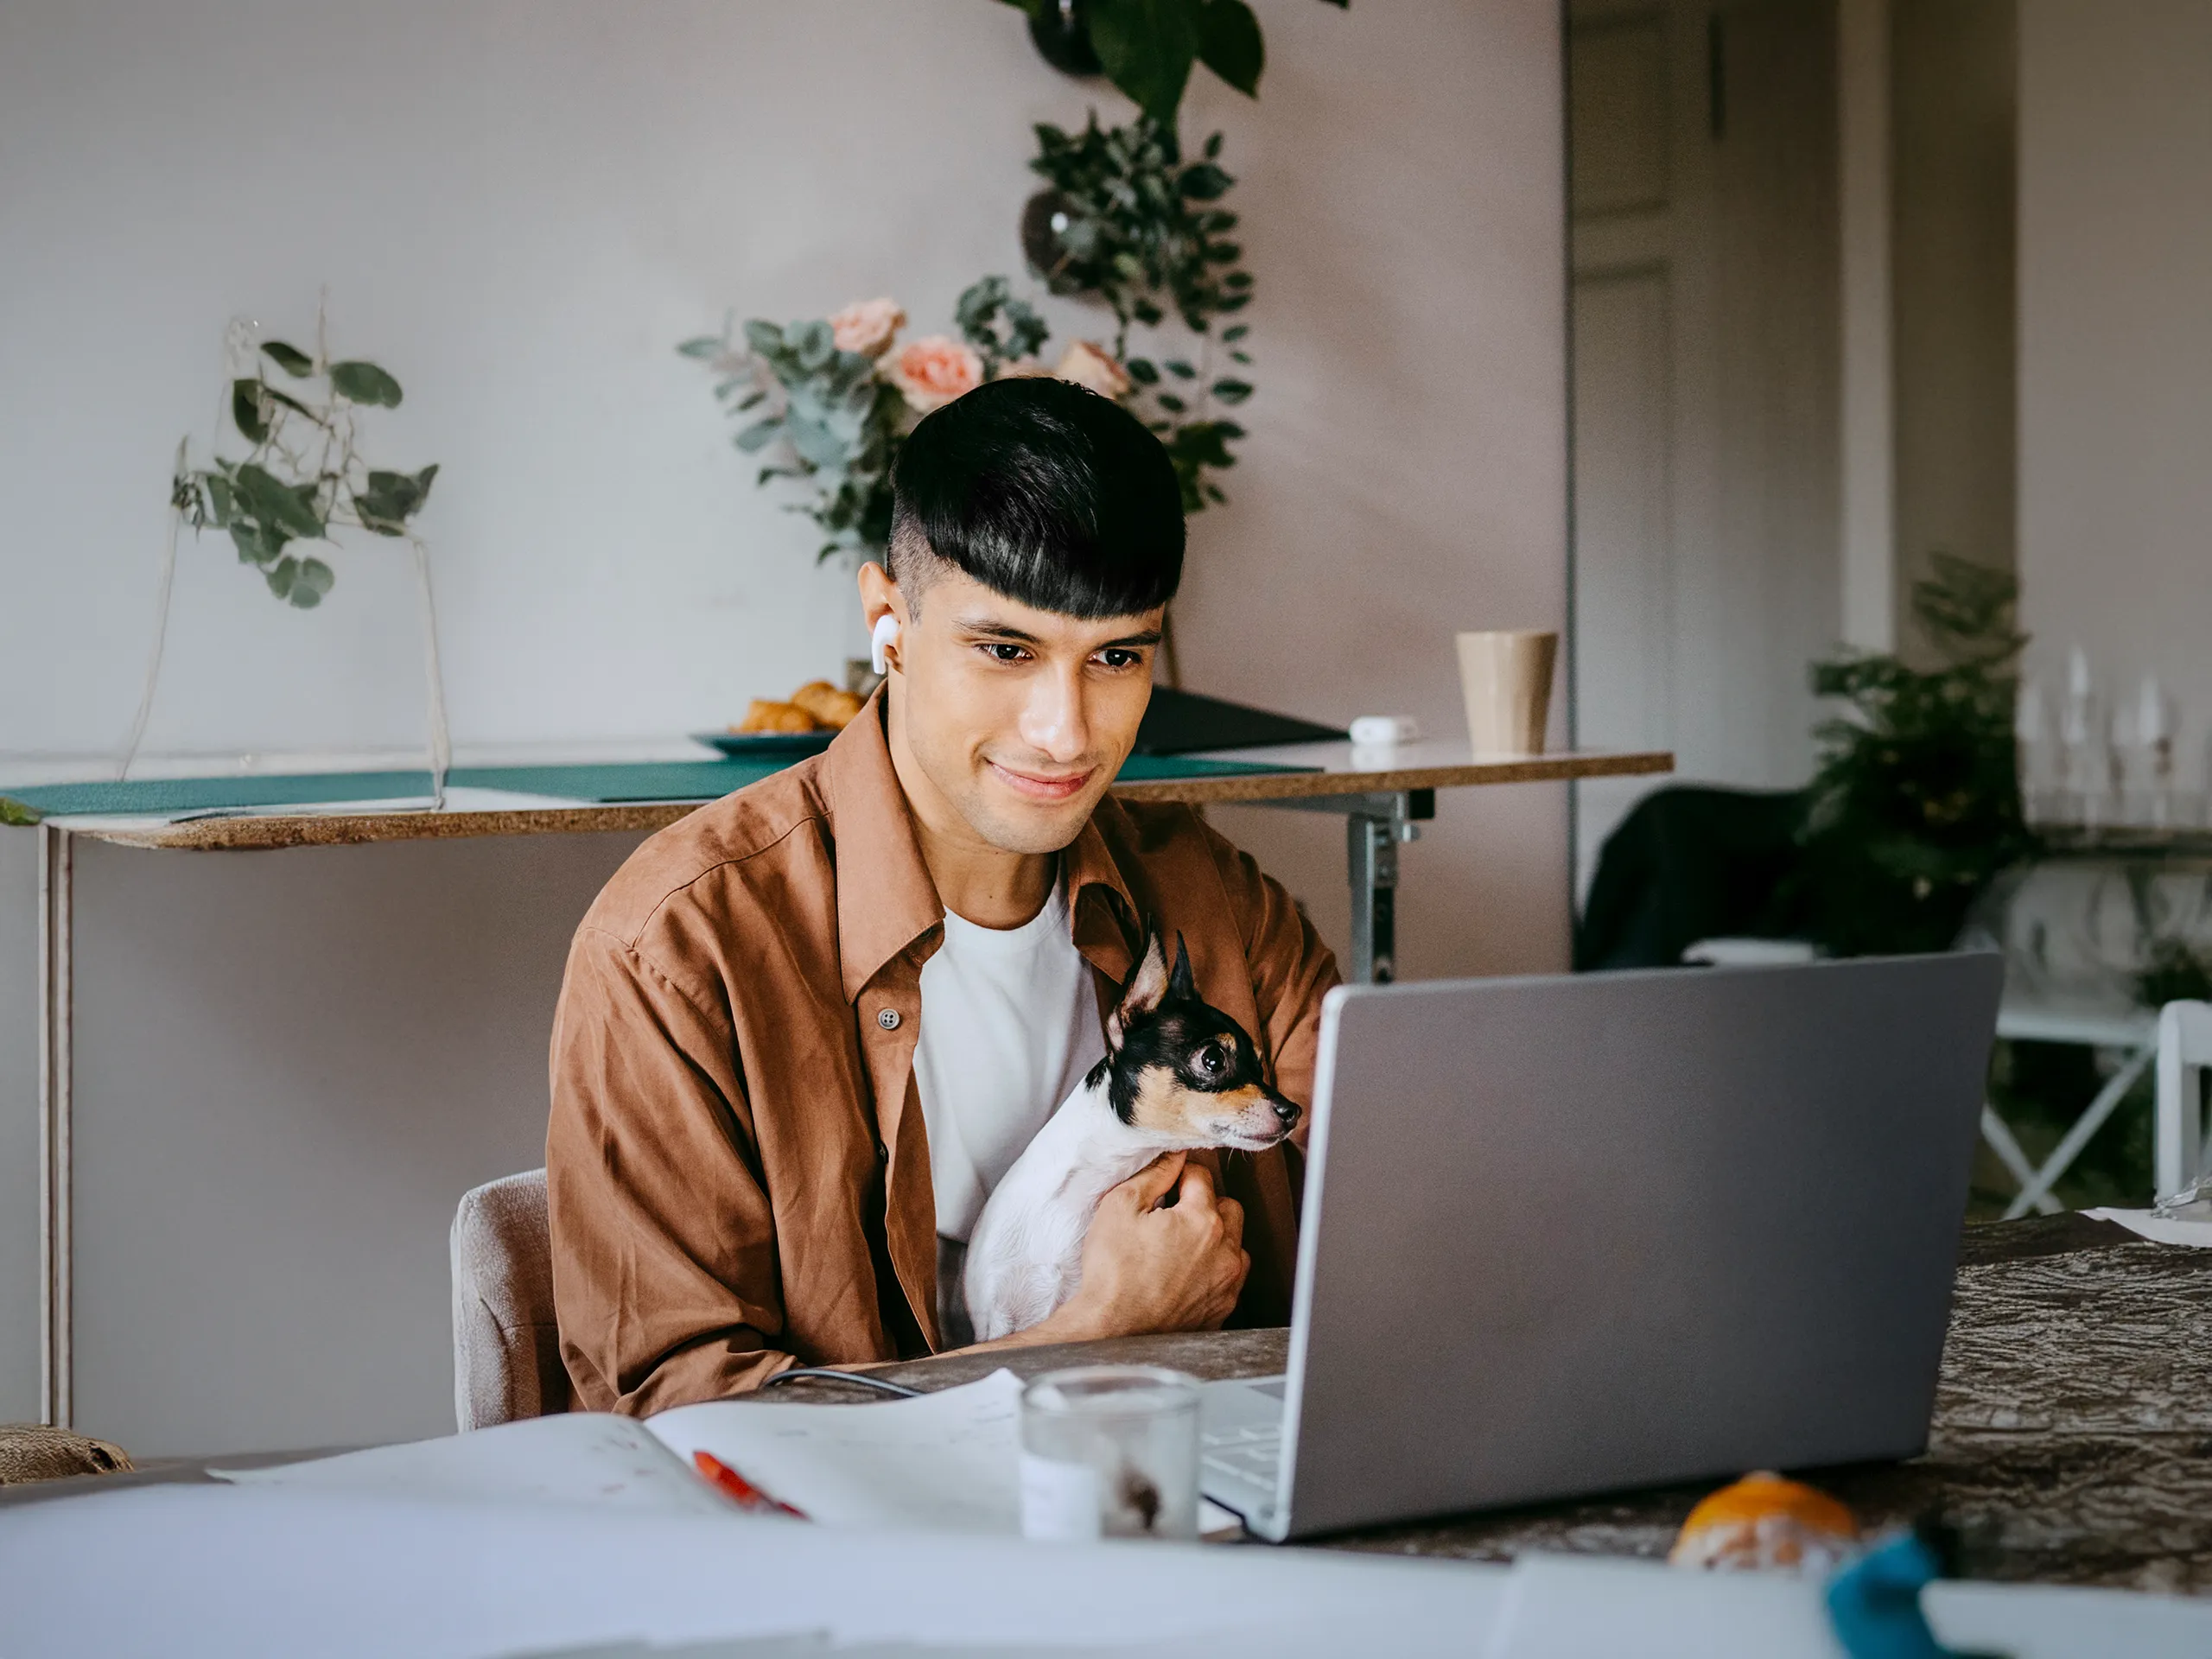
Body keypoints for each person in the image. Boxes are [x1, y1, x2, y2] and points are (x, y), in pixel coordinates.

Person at [548, 376, 1338, 1414]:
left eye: (1116, 657)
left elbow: (1398, 1234)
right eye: (1006, 650)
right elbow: (679, 1420)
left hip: (1195, 1526)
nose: (1065, 731)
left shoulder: (1214, 899)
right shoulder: (678, 947)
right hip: (851, 1565)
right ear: (890, 621)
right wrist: (1089, 1337)